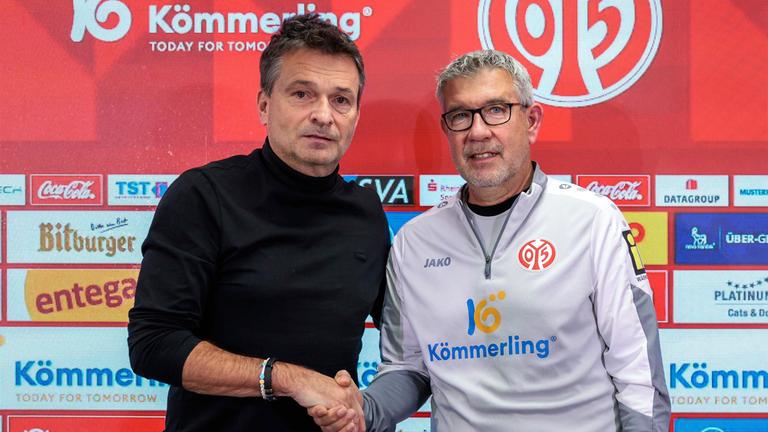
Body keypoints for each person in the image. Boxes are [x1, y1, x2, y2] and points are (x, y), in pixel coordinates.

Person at [310, 50, 671, 432]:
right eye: (461, 116)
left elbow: (639, 378)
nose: (478, 131)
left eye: (497, 110)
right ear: (447, 130)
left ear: (531, 121)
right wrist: (362, 410)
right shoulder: (414, 242)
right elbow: (407, 368)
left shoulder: (593, 220)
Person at [127, 14, 389, 432]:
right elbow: (153, 344)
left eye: (342, 99)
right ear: (265, 105)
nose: (324, 114)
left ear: (356, 113)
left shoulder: (367, 212)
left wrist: (360, 408)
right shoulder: (203, 195)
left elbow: (408, 345)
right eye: (303, 94)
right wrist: (286, 378)